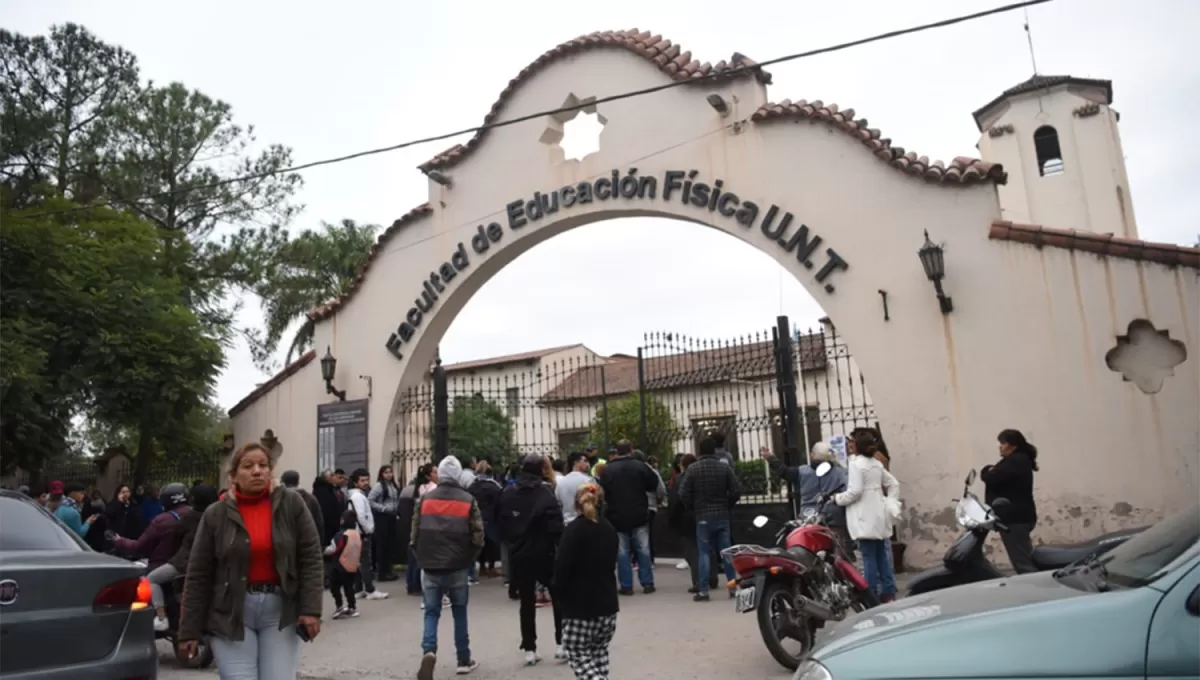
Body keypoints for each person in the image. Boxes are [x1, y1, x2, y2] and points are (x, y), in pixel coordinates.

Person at [179, 442, 324, 679]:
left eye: (263, 465)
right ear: (234, 475)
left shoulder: (291, 505)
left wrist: (311, 609)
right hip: (230, 614)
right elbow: (198, 574)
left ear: (270, 470)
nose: (257, 471)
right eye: (248, 466)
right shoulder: (215, 514)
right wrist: (189, 630)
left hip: (279, 613)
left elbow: (310, 556)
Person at [411, 455, 482, 679]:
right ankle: (463, 658)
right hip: (458, 565)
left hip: (430, 565)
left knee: (431, 612)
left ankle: (429, 651)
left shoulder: (425, 499)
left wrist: (421, 556)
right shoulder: (468, 499)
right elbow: (478, 536)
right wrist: (469, 558)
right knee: (460, 611)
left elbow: (414, 535)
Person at [498, 454, 565, 666]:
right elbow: (556, 524)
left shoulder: (508, 492)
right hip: (544, 552)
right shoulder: (545, 493)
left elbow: (501, 520)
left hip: (519, 553)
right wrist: (558, 544)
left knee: (526, 601)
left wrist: (512, 542)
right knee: (558, 596)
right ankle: (561, 643)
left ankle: (529, 647)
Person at [554, 483, 619, 680]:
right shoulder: (609, 529)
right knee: (598, 653)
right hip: (607, 604)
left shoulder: (574, 530)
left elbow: (562, 567)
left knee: (579, 654)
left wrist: (558, 593)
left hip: (579, 605)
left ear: (576, 505)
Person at [112, 483, 191, 632]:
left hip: (171, 564)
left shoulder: (162, 520)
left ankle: (161, 617)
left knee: (150, 579)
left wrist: (119, 541)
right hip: (197, 563)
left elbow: (139, 546)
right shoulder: (197, 514)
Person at [834, 430, 900, 602]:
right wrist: (890, 502)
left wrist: (838, 499)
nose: (849, 444)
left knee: (868, 556)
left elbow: (855, 491)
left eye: (852, 442)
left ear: (858, 445)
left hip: (864, 515)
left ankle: (869, 593)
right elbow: (893, 483)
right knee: (881, 555)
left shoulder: (857, 464)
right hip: (879, 512)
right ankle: (888, 591)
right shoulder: (876, 464)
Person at [762, 442, 855, 560]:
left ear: (813, 456)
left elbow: (784, 471)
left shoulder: (802, 471)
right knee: (838, 554)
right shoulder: (840, 473)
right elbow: (849, 492)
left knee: (808, 551)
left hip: (807, 519)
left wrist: (770, 458)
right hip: (833, 519)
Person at [679, 437, 742, 601]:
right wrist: (727, 504)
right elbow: (736, 490)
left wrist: (693, 507)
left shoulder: (693, 469)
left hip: (702, 517)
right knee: (726, 552)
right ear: (714, 450)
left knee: (704, 553)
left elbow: (683, 493)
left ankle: (704, 590)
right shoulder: (724, 468)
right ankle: (733, 587)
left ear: (700, 451)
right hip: (722, 514)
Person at [597, 440, 659, 595]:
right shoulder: (640, 466)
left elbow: (602, 490)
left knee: (622, 552)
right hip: (639, 513)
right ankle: (647, 583)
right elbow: (653, 483)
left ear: (616, 451)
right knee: (643, 550)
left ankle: (626, 585)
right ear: (631, 450)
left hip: (616, 516)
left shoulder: (608, 469)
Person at [981, 428, 1039, 574]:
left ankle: (1035, 590)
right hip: (1016, 517)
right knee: (1022, 558)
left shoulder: (1016, 460)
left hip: (1015, 519)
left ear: (1014, 444)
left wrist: (986, 470)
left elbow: (992, 477)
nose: (1000, 446)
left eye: (1003, 443)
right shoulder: (1017, 460)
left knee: (1023, 562)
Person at [668, 454, 717, 593]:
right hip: (706, 514)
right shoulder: (705, 477)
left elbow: (675, 501)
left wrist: (673, 519)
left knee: (693, 551)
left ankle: (698, 581)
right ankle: (712, 578)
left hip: (687, 518)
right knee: (708, 547)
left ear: (682, 466)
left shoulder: (679, 479)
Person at [347, 468, 387, 600]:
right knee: (365, 562)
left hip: (358, 532)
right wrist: (368, 529)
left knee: (358, 562)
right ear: (356, 482)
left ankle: (358, 589)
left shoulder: (355, 495)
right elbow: (361, 516)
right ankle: (370, 589)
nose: (365, 483)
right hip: (362, 533)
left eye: (366, 480)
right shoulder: (358, 496)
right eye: (362, 480)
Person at [400, 463, 434, 596]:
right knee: (421, 558)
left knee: (413, 556)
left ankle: (412, 584)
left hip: (414, 524)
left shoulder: (413, 489)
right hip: (426, 525)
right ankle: (418, 585)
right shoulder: (432, 489)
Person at [467, 461, 503, 577]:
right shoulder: (494, 487)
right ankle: (491, 567)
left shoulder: (472, 486)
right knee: (492, 543)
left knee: (480, 543)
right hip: (490, 517)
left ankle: (482, 567)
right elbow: (499, 503)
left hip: (476, 516)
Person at [325, 509, 363, 619]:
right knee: (349, 587)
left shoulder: (342, 535)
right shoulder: (356, 534)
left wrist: (323, 551)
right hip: (352, 566)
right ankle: (352, 607)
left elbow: (333, 549)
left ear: (342, 521)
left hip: (339, 566)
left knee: (334, 586)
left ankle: (339, 606)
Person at [368, 465, 401, 582]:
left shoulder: (393, 486)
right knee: (382, 545)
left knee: (390, 545)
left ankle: (388, 570)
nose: (389, 474)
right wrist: (382, 508)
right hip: (382, 518)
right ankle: (382, 573)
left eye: (390, 472)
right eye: (386, 472)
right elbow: (370, 500)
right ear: (381, 474)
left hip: (392, 517)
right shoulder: (379, 486)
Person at [281, 470, 324, 542]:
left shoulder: (278, 499)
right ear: (298, 482)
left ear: (283, 482)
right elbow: (319, 523)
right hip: (307, 542)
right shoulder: (310, 498)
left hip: (284, 544)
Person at [556, 452, 594, 525]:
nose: (588, 464)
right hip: (585, 523)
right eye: (585, 461)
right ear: (576, 462)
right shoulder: (588, 481)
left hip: (567, 523)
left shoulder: (561, 482)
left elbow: (558, 503)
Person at [312, 470, 346, 546]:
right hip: (327, 527)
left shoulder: (330, 489)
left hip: (332, 526)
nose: (334, 477)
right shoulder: (322, 491)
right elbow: (326, 510)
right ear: (327, 478)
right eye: (332, 475)